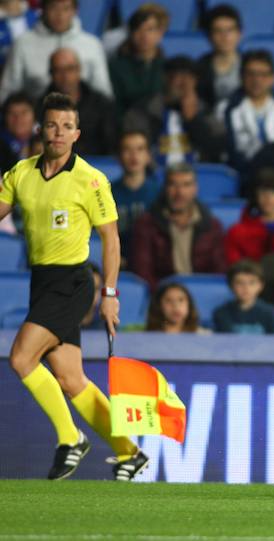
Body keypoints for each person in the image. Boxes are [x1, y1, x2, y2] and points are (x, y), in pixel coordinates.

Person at [0, 92, 147, 481]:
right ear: (41, 129)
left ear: (77, 133)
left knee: (21, 358)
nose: (59, 133)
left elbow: (112, 241)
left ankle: (70, 438)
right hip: (41, 281)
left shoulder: (91, 180)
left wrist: (110, 294)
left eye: (67, 126)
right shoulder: (20, 174)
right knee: (70, 378)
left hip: (73, 282)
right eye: (52, 125)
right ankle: (129, 452)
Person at [129, 163, 227, 290]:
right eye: (173, 184)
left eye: (186, 185)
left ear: (195, 189)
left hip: (201, 295)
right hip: (161, 298)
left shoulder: (212, 226)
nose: (179, 192)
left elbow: (219, 272)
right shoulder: (146, 225)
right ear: (165, 188)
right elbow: (142, 273)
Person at [122, 55, 227, 166]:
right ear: (166, 78)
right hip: (153, 175)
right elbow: (131, 146)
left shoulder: (205, 111)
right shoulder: (143, 111)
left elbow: (218, 149)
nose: (185, 84)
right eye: (180, 77)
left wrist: (193, 121)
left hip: (195, 177)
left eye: (191, 79)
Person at [0, 0, 112, 102]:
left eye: (66, 8)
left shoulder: (92, 44)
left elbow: (104, 93)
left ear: (75, 11)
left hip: (85, 118)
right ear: (43, 9)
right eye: (53, 8)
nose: (60, 15)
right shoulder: (22, 44)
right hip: (37, 117)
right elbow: (8, 91)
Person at [218, 50, 274, 172]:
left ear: (273, 78)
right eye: (250, 74)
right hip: (242, 175)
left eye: (263, 74)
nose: (256, 80)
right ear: (241, 76)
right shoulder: (225, 109)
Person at [43, 48, 117, 156]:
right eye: (58, 70)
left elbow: (111, 145)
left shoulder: (102, 104)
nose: (65, 76)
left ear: (79, 70)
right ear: (51, 74)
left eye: (70, 69)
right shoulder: (40, 106)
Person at [108, 3, 169, 116]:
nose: (144, 35)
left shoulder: (168, 67)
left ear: (160, 33)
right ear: (131, 33)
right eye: (138, 29)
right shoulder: (115, 67)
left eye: (150, 29)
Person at [224, 169, 274, 265]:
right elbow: (235, 268)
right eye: (263, 191)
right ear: (256, 195)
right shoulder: (237, 232)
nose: (268, 197)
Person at [110, 130, 161, 254]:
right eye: (127, 150)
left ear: (148, 156)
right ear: (119, 156)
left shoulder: (161, 193)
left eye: (140, 149)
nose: (134, 156)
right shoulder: (105, 194)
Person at [213, 259, 274, 335]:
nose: (246, 287)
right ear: (231, 285)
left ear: (261, 285)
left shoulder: (271, 313)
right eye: (239, 283)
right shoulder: (221, 313)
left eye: (252, 282)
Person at [196, 4, 243, 108]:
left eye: (230, 30)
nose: (225, 37)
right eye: (218, 31)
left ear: (240, 34)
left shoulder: (251, 65)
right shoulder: (199, 68)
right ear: (209, 36)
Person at [0, 92, 35, 171]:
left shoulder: (46, 139)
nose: (18, 119)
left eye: (24, 113)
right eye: (12, 113)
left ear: (34, 115)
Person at [78, 263, 104, 330]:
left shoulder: (105, 325)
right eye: (87, 288)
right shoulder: (64, 326)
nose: (91, 294)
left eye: (96, 288)